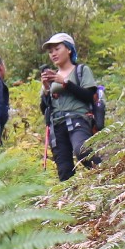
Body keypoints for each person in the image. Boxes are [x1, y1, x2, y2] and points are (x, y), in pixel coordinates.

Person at [39, 34, 101, 182]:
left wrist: (65, 83)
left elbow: (89, 96)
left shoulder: (81, 70)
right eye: (50, 51)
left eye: (57, 49)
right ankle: (71, 202)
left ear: (69, 49)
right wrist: (46, 90)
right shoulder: (52, 78)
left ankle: (107, 174)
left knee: (82, 151)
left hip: (78, 119)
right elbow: (44, 109)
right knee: (64, 169)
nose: (53, 53)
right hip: (57, 125)